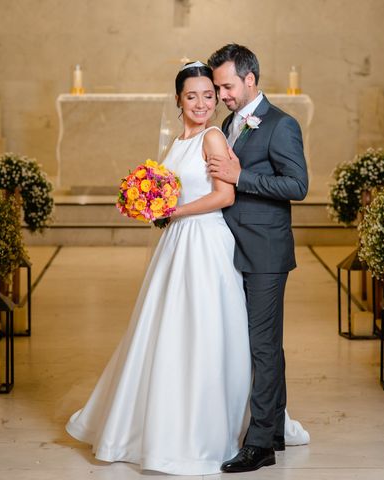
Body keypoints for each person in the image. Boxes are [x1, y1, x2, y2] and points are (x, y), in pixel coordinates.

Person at [65, 61, 252, 475]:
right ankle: (156, 424)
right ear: (178, 100)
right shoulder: (178, 140)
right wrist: (147, 202)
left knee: (201, 330)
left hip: (205, 243)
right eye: (192, 96)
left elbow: (225, 196)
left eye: (208, 95)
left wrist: (174, 210)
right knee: (166, 330)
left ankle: (199, 431)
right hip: (177, 243)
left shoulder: (213, 137)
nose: (202, 103)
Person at [206, 44, 309, 473]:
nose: (222, 96)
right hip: (234, 247)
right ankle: (277, 430)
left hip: (265, 251)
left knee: (262, 346)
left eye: (227, 86)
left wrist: (240, 177)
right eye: (218, 88)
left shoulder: (282, 125)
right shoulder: (231, 123)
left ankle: (261, 443)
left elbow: (297, 185)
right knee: (265, 344)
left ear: (250, 79)